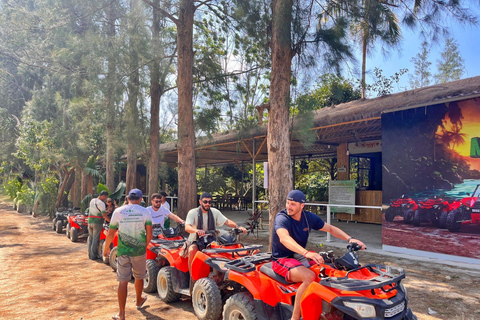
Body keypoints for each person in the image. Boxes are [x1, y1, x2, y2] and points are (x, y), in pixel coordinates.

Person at [271, 190, 366, 320]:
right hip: (282, 258)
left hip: (298, 256)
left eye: (293, 204)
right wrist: (306, 253)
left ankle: (333, 311)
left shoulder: (308, 217)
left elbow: (331, 229)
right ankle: (295, 317)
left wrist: (350, 239)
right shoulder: (282, 218)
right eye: (288, 203)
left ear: (302, 206)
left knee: (330, 270)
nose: (289, 207)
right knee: (309, 276)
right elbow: (284, 238)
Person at [103, 188, 152, 320]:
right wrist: (143, 246)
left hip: (123, 251)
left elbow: (111, 233)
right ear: (141, 199)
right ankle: (138, 299)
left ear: (128, 198)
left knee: (123, 281)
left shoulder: (118, 211)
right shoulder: (145, 211)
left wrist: (106, 248)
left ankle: (122, 314)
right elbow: (149, 234)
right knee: (139, 277)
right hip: (139, 251)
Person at [184, 192, 247, 272]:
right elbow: (187, 227)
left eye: (210, 202)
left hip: (211, 239)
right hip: (196, 239)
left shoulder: (214, 212)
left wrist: (238, 227)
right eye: (205, 202)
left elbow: (226, 221)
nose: (207, 204)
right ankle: (193, 276)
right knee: (192, 250)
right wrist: (196, 231)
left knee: (225, 251)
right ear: (200, 202)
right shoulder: (193, 212)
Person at [87, 190, 109, 260]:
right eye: (105, 197)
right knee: (95, 239)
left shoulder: (92, 200)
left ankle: (90, 254)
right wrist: (110, 221)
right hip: (97, 222)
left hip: (90, 221)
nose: (105, 198)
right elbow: (104, 215)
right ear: (104, 196)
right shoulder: (101, 203)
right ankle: (93, 256)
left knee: (90, 238)